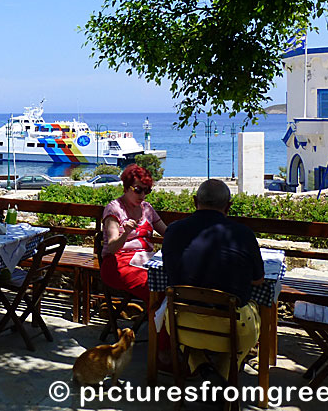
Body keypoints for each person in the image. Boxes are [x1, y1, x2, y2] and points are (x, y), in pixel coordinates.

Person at [161, 178, 265, 383]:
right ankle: (224, 375)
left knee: (167, 310)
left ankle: (202, 367)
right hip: (232, 328)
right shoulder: (243, 234)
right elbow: (259, 280)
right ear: (229, 206)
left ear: (194, 201)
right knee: (257, 311)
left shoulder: (173, 231)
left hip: (182, 325)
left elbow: (170, 272)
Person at [99, 164, 167, 301]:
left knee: (172, 281)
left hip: (145, 261)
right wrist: (125, 234)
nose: (142, 195)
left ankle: (157, 318)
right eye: (138, 190)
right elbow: (112, 247)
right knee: (151, 286)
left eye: (146, 191)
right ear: (126, 187)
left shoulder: (147, 208)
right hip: (117, 263)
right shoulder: (114, 210)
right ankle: (156, 319)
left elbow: (166, 232)